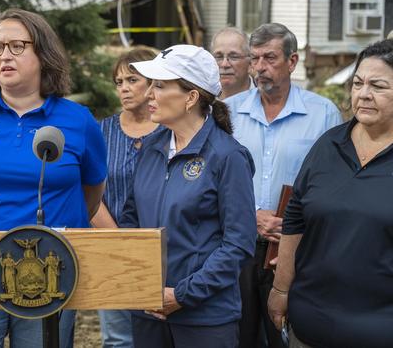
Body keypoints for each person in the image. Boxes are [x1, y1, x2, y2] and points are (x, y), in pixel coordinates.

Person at [0, 8, 107, 348]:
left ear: (42, 53)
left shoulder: (77, 120)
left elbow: (91, 195)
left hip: (50, 268)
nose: (4, 56)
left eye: (17, 46)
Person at [121, 44, 257, 348]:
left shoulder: (228, 157)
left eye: (159, 86)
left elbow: (238, 243)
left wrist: (182, 295)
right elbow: (131, 219)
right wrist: (141, 282)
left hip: (204, 319)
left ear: (191, 97)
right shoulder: (151, 148)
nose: (148, 95)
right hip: (148, 312)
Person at [268, 39, 393, 348]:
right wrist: (281, 289)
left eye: (377, 86)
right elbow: (295, 215)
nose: (363, 94)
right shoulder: (329, 144)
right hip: (310, 326)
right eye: (358, 83)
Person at [223, 23, 342, 348]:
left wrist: (291, 225)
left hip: (293, 251)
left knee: (286, 336)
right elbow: (216, 179)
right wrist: (252, 215)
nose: (260, 67)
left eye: (270, 58)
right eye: (255, 58)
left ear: (292, 61)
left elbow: (334, 184)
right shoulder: (228, 113)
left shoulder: (323, 115)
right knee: (237, 336)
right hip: (236, 247)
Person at [91, 47, 162, 348]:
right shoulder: (101, 132)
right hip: (112, 247)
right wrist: (120, 242)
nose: (123, 88)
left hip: (163, 251)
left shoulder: (171, 131)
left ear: (153, 82)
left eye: (132, 79)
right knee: (118, 339)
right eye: (119, 81)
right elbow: (90, 193)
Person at [210, 27, 254, 99]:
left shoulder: (265, 101)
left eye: (234, 57)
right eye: (219, 57)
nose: (224, 64)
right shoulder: (200, 101)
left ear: (250, 63)